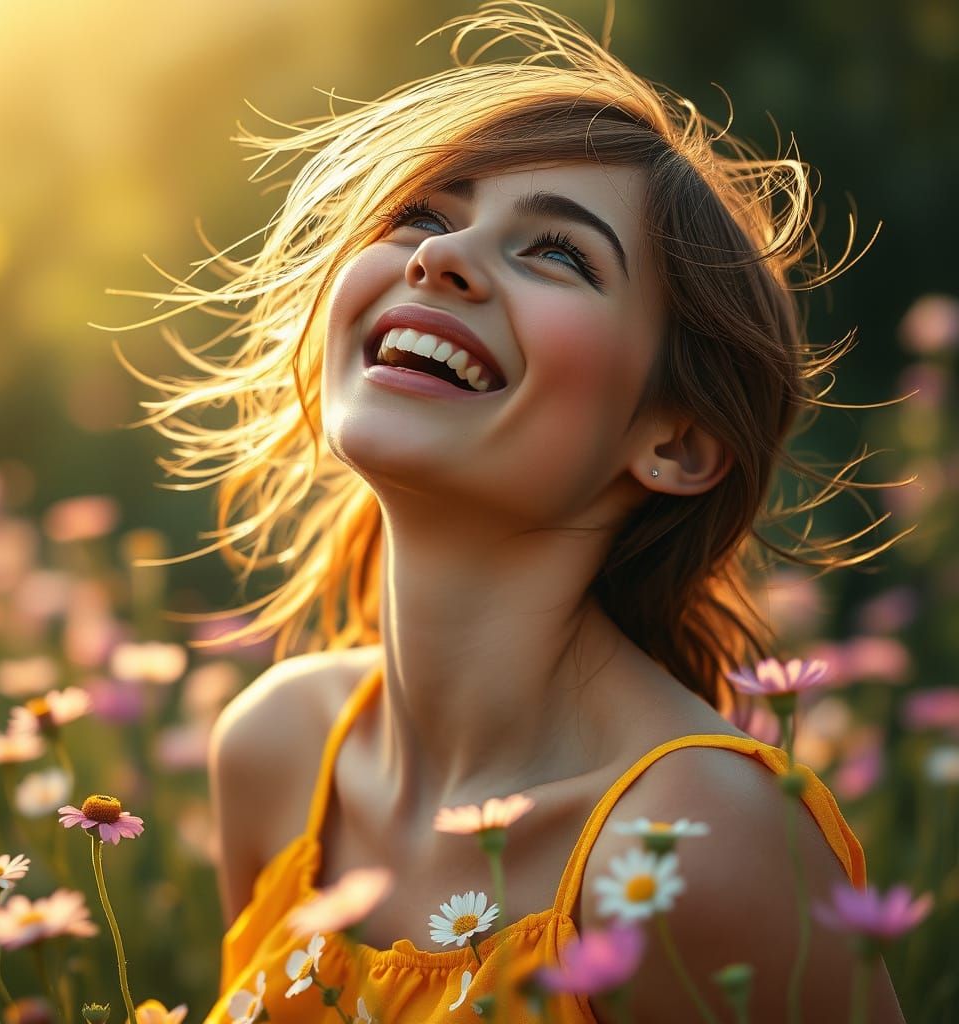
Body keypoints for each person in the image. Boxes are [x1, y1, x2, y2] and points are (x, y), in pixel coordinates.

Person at [122, 3, 908, 1020]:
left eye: (558, 255)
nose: (437, 258)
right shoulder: (276, 751)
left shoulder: (695, 845)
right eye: (424, 214)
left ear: (675, 443)